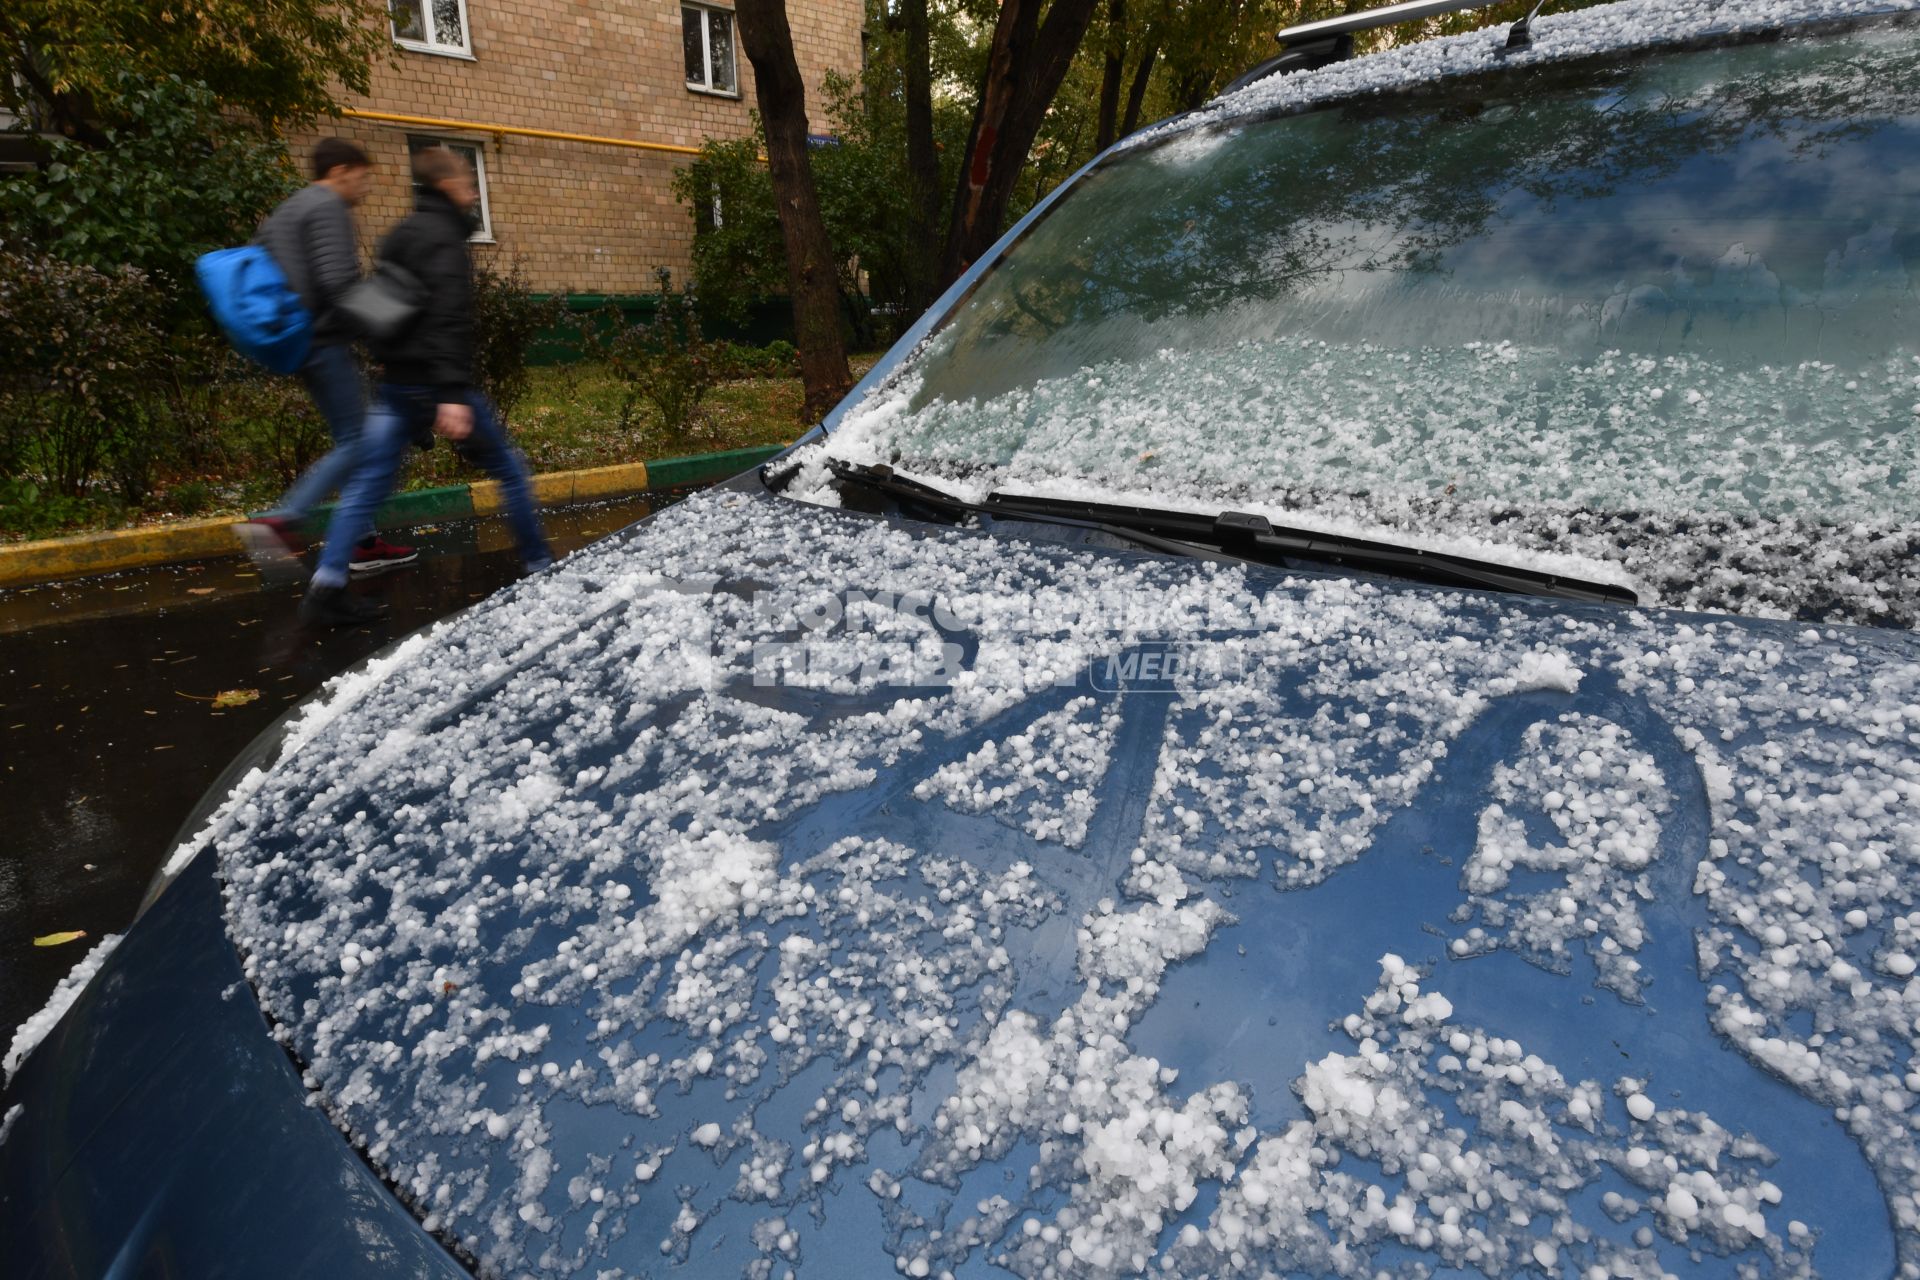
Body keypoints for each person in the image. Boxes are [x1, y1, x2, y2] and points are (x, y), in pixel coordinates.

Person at [300, 146, 553, 627]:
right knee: (509, 470)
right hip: (438, 387)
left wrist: (390, 365)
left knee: (367, 484)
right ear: (447, 186)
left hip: (395, 386)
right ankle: (539, 564)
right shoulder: (445, 241)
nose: (473, 190)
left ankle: (327, 584)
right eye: (466, 181)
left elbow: (378, 306)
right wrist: (452, 394)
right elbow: (447, 321)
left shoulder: (401, 234)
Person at [239, 137, 417, 574]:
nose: (367, 187)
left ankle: (361, 541)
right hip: (321, 339)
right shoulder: (326, 207)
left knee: (354, 436)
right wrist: (393, 326)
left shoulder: (289, 209)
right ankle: (284, 518)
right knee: (360, 441)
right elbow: (338, 286)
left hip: (296, 337)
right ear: (339, 171)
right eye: (363, 176)